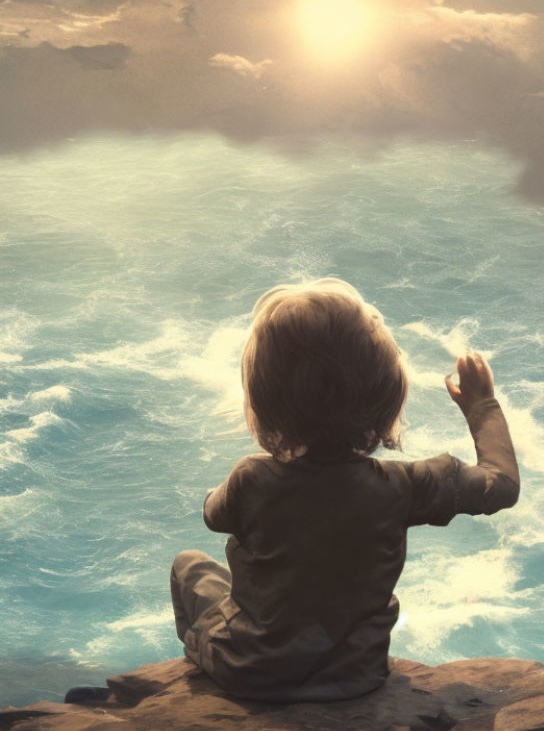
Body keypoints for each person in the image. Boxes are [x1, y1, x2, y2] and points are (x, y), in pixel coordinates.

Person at [170, 279, 519, 702]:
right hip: (358, 675)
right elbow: (501, 486)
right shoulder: (405, 485)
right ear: (385, 394)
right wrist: (482, 407)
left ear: (265, 400)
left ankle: (201, 670)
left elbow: (213, 513)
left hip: (252, 671)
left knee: (191, 567)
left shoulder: (252, 479)